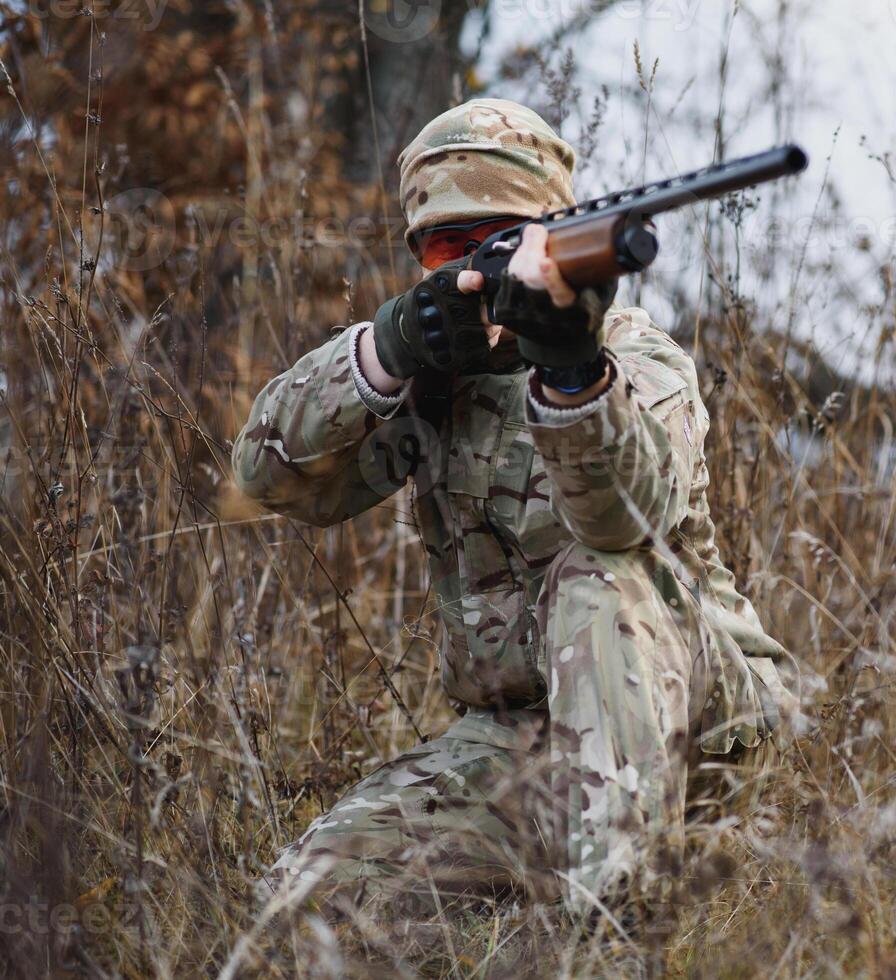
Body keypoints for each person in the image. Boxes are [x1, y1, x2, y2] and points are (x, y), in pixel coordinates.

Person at [232, 99, 798, 915]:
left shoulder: (640, 361)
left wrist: (571, 372)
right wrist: (388, 351)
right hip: (518, 745)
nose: (476, 265)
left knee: (596, 578)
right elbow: (270, 478)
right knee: (302, 907)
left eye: (501, 240)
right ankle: (539, 902)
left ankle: (621, 927)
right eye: (447, 247)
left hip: (700, 730)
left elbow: (619, 525)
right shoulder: (430, 381)